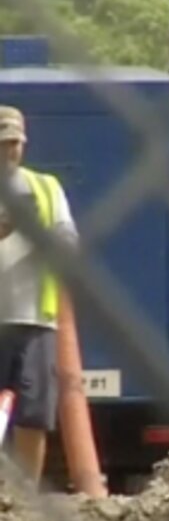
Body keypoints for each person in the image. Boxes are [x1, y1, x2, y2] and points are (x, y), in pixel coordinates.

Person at [0, 105, 78, 481]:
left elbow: (67, 243)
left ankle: (26, 500)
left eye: (14, 143)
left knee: (33, 416)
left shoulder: (45, 188)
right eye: (2, 143)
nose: (9, 151)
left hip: (34, 319)